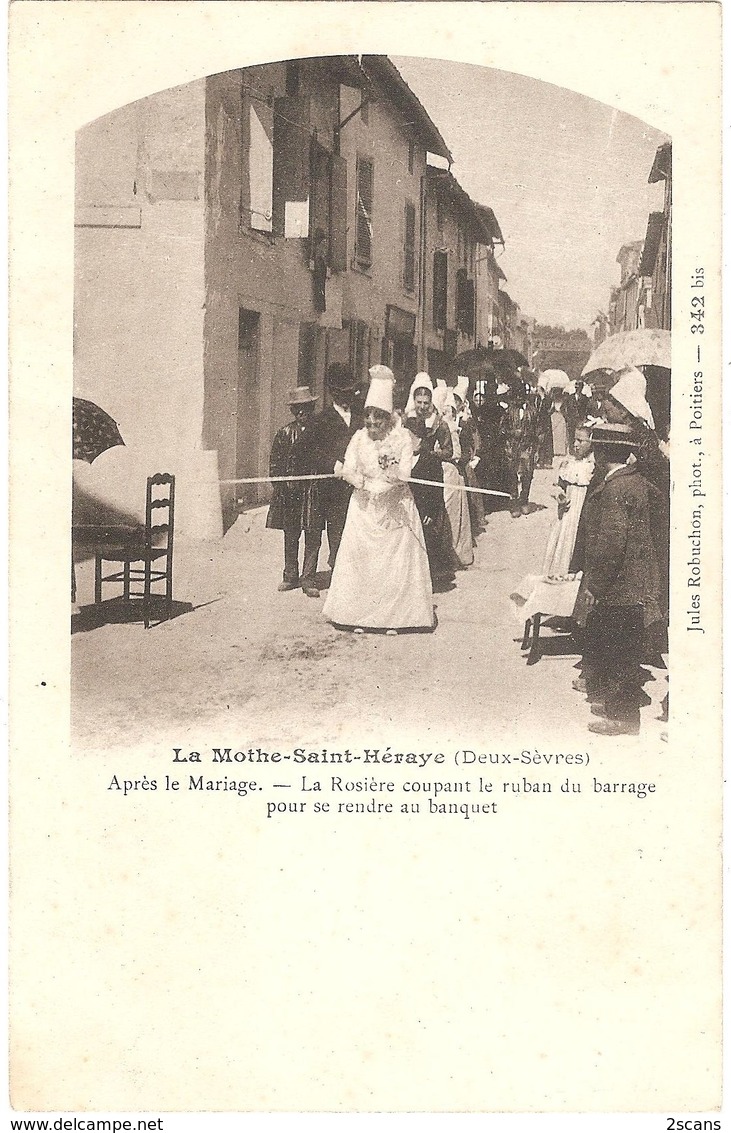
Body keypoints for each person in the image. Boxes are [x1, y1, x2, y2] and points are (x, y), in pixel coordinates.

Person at [322, 366, 434, 632]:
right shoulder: (359, 438)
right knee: (364, 563)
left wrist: (394, 477)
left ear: (387, 418)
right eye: (368, 419)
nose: (372, 425)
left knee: (392, 564)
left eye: (378, 420)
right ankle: (358, 616)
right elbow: (349, 466)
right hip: (364, 508)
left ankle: (393, 619)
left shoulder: (402, 438)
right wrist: (351, 477)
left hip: (394, 508)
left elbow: (406, 471)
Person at [570, 423, 664, 736]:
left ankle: (623, 718)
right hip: (634, 582)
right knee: (624, 647)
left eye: (597, 447)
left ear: (604, 451)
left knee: (619, 650)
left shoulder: (616, 488)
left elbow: (611, 545)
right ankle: (618, 704)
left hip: (620, 585)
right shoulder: (634, 481)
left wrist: (595, 587)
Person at [306, 363, 363, 591]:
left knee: (341, 531)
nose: (346, 397)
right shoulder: (321, 419)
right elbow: (309, 451)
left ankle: (338, 573)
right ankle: (308, 577)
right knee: (314, 532)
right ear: (333, 392)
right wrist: (332, 464)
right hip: (324, 486)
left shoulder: (359, 418)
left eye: (350, 392)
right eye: (342, 392)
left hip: (349, 487)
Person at [266, 386, 323, 598]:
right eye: (298, 410)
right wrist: (282, 487)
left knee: (313, 535)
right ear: (293, 411)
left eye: (306, 409)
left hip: (313, 493)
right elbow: (274, 466)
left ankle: (309, 578)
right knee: (291, 535)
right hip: (291, 494)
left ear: (312, 409)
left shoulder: (319, 434)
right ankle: (290, 575)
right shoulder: (284, 434)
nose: (302, 414)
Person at [542, 423, 595, 577]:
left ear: (591, 442)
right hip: (565, 514)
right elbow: (557, 485)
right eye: (574, 440)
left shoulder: (593, 466)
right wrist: (559, 495)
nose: (576, 444)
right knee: (561, 543)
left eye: (581, 441)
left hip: (582, 513)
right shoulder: (568, 463)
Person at [499, 379, 539, 517]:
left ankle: (524, 500)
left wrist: (536, 450)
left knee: (527, 474)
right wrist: (512, 433)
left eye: (521, 394)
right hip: (512, 447)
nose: (519, 397)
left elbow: (538, 431)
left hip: (528, 446)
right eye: (517, 394)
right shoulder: (508, 411)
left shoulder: (532, 411)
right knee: (512, 475)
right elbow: (502, 430)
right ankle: (514, 503)